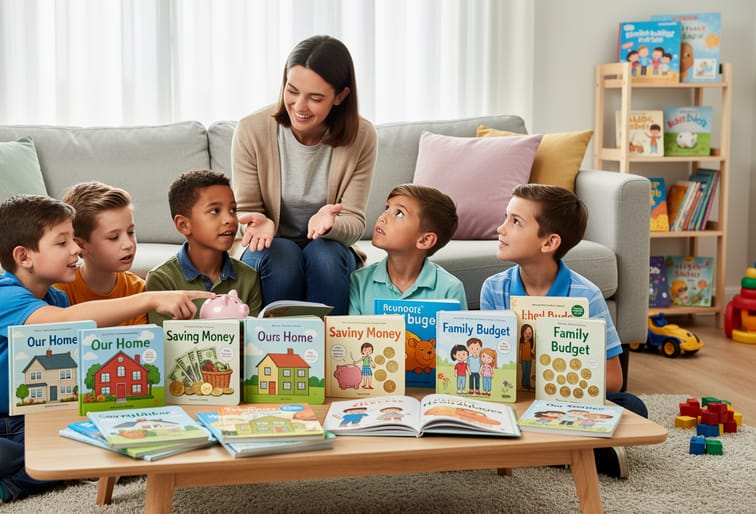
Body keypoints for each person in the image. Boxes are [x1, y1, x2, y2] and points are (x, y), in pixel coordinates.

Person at [0, 194, 212, 514]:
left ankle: (11, 486)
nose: (76, 249)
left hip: (28, 423)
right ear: (24, 256)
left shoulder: (57, 300)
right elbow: (61, 323)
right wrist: (149, 299)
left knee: (114, 434)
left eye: (73, 240)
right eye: (62, 243)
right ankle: (76, 465)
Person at [479, 183, 648, 479]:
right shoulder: (494, 289)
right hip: (513, 400)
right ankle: (572, 451)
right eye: (506, 217)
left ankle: (540, 450)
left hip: (567, 402)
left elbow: (614, 379)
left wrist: (566, 382)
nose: (500, 229)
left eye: (515, 221)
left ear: (549, 242)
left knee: (632, 407)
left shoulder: (587, 295)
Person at [232, 34, 378, 315]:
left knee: (324, 254)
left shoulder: (362, 136)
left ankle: (331, 352)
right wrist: (256, 222)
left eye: (315, 98)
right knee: (282, 256)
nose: (299, 106)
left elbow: (355, 222)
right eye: (292, 90)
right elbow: (244, 213)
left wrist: (329, 225)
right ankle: (273, 347)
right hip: (270, 247)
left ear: (340, 97)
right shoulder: (252, 130)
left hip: (329, 249)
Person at [146, 169, 262, 325]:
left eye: (233, 210)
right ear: (184, 225)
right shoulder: (162, 280)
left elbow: (252, 340)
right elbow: (163, 342)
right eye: (215, 211)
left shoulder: (249, 277)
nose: (229, 219)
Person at [348, 184, 467, 314]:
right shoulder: (359, 281)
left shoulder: (450, 289)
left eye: (399, 213)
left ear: (425, 240)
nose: (382, 217)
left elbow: (456, 334)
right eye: (387, 208)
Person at [54, 181, 147, 325]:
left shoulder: (139, 290)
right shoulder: (58, 292)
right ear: (80, 245)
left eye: (130, 232)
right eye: (113, 237)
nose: (129, 244)